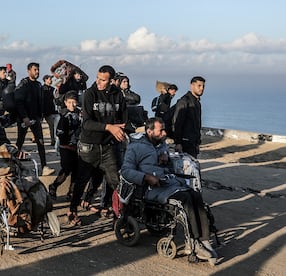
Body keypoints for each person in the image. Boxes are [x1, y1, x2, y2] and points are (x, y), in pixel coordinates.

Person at [121, 117, 217, 264]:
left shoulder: (161, 145)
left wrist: (167, 159)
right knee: (185, 199)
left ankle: (204, 240)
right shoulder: (135, 147)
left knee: (195, 195)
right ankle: (193, 243)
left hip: (168, 183)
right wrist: (146, 177)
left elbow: (168, 167)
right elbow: (126, 171)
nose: (164, 133)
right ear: (149, 131)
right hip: (150, 188)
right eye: (161, 130)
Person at [67, 65, 128, 226]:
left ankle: (119, 213)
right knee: (82, 181)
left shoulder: (118, 95)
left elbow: (122, 120)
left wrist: (121, 129)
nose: (99, 82)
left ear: (112, 81)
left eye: (103, 80)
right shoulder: (90, 94)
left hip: (109, 146)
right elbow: (86, 123)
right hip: (89, 145)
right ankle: (72, 209)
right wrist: (108, 127)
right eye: (98, 78)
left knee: (116, 181)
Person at [14, 62, 55, 176]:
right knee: (20, 142)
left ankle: (44, 166)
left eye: (38, 70)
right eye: (35, 70)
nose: (37, 72)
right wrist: (24, 117)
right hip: (23, 118)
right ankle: (14, 165)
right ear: (29, 71)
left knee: (40, 142)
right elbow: (19, 102)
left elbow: (40, 101)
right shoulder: (23, 84)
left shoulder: (38, 85)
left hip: (35, 118)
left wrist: (40, 115)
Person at [48, 91, 81, 200]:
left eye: (74, 102)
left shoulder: (80, 114)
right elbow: (59, 133)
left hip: (77, 148)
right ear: (66, 103)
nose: (72, 105)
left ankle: (72, 192)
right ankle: (53, 186)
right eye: (70, 102)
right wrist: (69, 137)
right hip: (65, 147)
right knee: (66, 169)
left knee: (76, 171)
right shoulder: (62, 116)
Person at [172, 76, 205, 158]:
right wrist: (178, 143)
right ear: (192, 86)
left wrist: (197, 142)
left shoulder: (197, 103)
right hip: (184, 143)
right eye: (199, 86)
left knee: (193, 167)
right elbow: (177, 123)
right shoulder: (184, 101)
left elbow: (197, 124)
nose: (202, 88)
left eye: (203, 86)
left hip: (193, 143)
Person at [42, 75, 59, 146]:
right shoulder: (41, 89)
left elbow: (56, 99)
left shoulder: (53, 89)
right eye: (49, 79)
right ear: (45, 80)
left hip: (52, 111)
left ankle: (53, 140)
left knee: (53, 126)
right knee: (50, 126)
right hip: (44, 111)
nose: (51, 80)